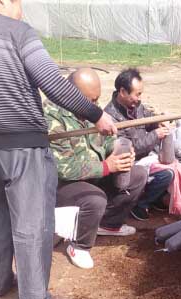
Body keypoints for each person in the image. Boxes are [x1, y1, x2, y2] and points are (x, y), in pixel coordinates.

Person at [0, 0, 117, 299]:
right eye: (19, 3)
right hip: (25, 149)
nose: (21, 10)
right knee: (32, 222)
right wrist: (96, 114)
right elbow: (53, 84)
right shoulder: (18, 33)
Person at [46, 68, 147, 270]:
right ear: (69, 93)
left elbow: (108, 139)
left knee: (138, 175)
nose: (94, 105)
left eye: (96, 100)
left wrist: (121, 152)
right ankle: (79, 246)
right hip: (64, 184)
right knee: (95, 199)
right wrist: (107, 166)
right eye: (89, 101)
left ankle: (108, 224)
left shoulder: (92, 109)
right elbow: (64, 168)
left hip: (96, 173)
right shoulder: (52, 117)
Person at [104, 68, 175, 221]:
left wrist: (158, 121)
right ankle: (139, 205)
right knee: (165, 175)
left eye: (140, 93)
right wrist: (155, 135)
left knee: (172, 168)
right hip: (128, 164)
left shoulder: (136, 106)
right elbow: (129, 148)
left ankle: (153, 198)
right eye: (137, 94)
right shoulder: (110, 118)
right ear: (123, 92)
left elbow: (147, 119)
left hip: (144, 157)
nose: (139, 98)